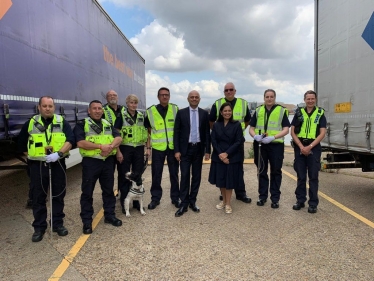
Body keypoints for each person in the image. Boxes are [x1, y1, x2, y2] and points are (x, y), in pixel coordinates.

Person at [18, 96, 74, 242]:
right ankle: (39, 227)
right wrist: (34, 158)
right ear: (39, 107)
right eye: (44, 106)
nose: (47, 108)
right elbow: (22, 145)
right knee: (38, 197)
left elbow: (71, 140)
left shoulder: (62, 122)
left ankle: (57, 224)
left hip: (58, 164)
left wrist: (59, 154)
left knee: (58, 195)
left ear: (54, 107)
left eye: (50, 106)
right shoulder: (30, 123)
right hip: (37, 166)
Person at [74, 100, 123, 234]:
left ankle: (110, 215)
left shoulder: (107, 124)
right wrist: (101, 147)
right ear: (89, 111)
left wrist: (110, 147)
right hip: (91, 163)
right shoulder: (82, 124)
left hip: (107, 162)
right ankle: (87, 221)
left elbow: (118, 137)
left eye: (99, 108)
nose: (97, 111)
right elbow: (80, 143)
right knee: (87, 192)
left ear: (102, 110)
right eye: (94, 109)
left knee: (108, 190)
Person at [209, 82, 252, 203]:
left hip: (237, 143)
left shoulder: (243, 103)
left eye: (231, 89)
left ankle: (240, 193)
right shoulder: (217, 103)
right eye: (226, 90)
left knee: (238, 168)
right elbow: (211, 121)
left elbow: (247, 120)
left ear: (235, 91)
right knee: (222, 169)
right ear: (224, 92)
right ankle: (224, 193)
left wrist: (238, 130)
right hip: (222, 143)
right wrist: (220, 132)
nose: (229, 92)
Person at [249, 89, 290, 208]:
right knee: (261, 170)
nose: (269, 99)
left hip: (275, 145)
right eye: (267, 96)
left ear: (275, 98)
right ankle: (262, 196)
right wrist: (255, 136)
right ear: (264, 98)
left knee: (276, 171)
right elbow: (251, 128)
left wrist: (273, 137)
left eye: (271, 96)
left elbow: (286, 129)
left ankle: (275, 198)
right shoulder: (258, 110)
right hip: (260, 145)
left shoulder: (281, 111)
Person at [173, 90, 211, 217]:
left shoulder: (204, 114)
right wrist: (177, 150)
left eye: (196, 97)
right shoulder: (181, 113)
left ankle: (192, 201)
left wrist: (207, 151)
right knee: (184, 176)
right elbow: (176, 133)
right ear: (188, 99)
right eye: (192, 97)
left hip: (198, 149)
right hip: (185, 150)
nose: (194, 99)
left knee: (196, 176)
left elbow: (206, 133)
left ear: (199, 99)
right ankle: (183, 203)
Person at [290, 90, 327, 213]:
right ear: (304, 99)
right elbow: (293, 132)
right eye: (308, 99)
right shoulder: (299, 113)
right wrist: (301, 146)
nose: (310, 101)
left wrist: (310, 146)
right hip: (300, 146)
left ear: (315, 99)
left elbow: (322, 133)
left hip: (314, 147)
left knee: (313, 176)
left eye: (312, 99)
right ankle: (300, 201)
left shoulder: (320, 113)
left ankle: (313, 203)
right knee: (301, 176)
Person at [145, 87, 180, 210]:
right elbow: (148, 131)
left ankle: (175, 198)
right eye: (162, 95)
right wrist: (148, 147)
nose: (165, 97)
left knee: (174, 174)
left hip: (172, 147)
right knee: (156, 174)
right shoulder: (150, 111)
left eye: (167, 95)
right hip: (158, 148)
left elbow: (179, 129)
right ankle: (155, 199)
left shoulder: (175, 109)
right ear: (158, 97)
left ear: (169, 96)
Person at [114, 94, 148, 213]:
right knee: (125, 176)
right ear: (127, 103)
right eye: (131, 102)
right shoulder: (121, 116)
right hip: (125, 148)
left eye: (135, 103)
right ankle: (125, 202)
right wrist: (118, 151)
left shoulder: (141, 116)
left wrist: (148, 147)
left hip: (138, 148)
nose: (133, 105)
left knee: (137, 175)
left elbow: (147, 132)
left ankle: (137, 203)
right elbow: (116, 134)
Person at [209, 102, 245, 214]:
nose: (227, 113)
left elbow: (239, 141)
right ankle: (224, 201)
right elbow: (213, 140)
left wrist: (227, 154)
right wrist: (221, 154)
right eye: (225, 111)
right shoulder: (216, 124)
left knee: (229, 181)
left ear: (232, 112)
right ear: (221, 112)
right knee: (221, 180)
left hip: (232, 157)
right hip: (219, 157)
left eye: (229, 111)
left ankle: (228, 203)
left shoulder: (237, 125)